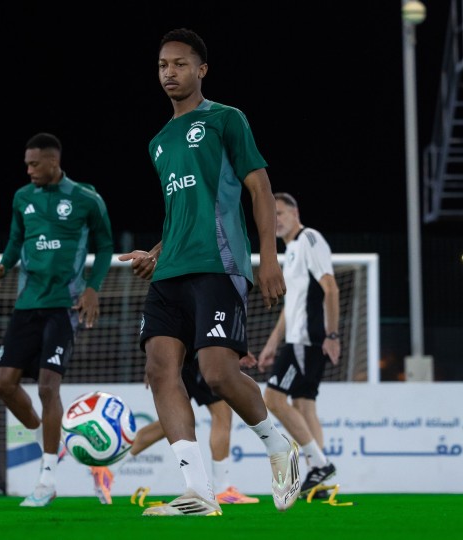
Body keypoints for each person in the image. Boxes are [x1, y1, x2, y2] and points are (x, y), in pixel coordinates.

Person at [118, 28, 300, 517]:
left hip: (219, 264)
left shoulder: (225, 119)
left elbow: (259, 188)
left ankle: (278, 445)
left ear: (201, 70)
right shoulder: (158, 142)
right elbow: (183, 211)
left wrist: (267, 257)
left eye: (179, 64)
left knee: (218, 374)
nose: (169, 73)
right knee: (159, 370)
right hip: (170, 272)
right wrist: (156, 253)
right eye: (162, 65)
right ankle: (198, 491)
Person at [0, 132, 114, 507]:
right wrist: (3, 266)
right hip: (28, 303)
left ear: (53, 162)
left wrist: (93, 289)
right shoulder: (22, 198)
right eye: (26, 164)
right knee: (3, 383)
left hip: (65, 305)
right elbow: (16, 240)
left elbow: (105, 245)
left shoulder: (86, 198)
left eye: (34, 164)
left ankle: (47, 479)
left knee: (47, 387)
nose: (28, 170)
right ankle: (53, 441)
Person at [256, 192, 341, 500]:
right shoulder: (291, 250)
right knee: (304, 406)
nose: (275, 219)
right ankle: (319, 482)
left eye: (280, 213)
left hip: (307, 338)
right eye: (272, 215)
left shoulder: (309, 239)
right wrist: (271, 343)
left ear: (295, 213)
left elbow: (331, 288)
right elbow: (291, 305)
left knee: (273, 399)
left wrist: (332, 335)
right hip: (296, 338)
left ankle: (320, 464)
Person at [97, 354, 262, 505]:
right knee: (222, 415)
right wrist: (235, 348)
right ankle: (222, 489)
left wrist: (155, 361)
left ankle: (109, 465)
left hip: (181, 359)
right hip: (201, 357)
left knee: (171, 422)